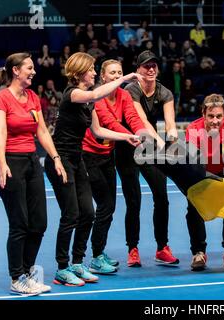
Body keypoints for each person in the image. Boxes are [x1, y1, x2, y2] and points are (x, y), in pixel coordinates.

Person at [44, 52, 141, 287]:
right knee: (71, 214)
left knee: (87, 212)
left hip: (77, 160)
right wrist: (125, 77)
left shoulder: (89, 102)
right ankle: (62, 268)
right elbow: (98, 92)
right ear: (79, 72)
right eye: (91, 70)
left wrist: (126, 135)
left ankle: (78, 263)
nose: (95, 73)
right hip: (61, 160)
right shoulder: (73, 94)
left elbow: (98, 131)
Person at [0, 52, 67, 295]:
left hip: (32, 162)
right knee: (19, 223)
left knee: (39, 222)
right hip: (11, 162)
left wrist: (56, 158)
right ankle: (16, 278)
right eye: (29, 68)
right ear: (16, 71)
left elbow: (42, 131)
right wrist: (2, 163)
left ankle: (27, 272)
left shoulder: (33, 96)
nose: (34, 72)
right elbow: (0, 132)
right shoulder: (2, 98)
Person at [81, 59, 146, 274]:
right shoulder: (97, 96)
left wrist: (140, 133)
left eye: (120, 72)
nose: (117, 76)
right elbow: (109, 123)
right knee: (104, 205)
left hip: (108, 155)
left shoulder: (124, 95)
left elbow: (132, 117)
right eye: (112, 73)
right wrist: (128, 136)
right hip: (89, 156)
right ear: (103, 77)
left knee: (109, 207)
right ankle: (93, 257)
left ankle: (99, 253)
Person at [116, 50, 179, 267]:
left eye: (154, 65)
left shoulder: (165, 92)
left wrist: (172, 142)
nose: (150, 69)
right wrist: (161, 145)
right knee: (134, 201)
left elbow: (170, 123)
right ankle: (133, 249)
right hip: (128, 147)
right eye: (146, 66)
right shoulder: (130, 90)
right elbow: (142, 122)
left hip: (151, 148)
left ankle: (162, 248)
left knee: (162, 197)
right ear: (138, 69)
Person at [185, 93, 224, 271]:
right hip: (201, 172)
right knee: (194, 209)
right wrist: (203, 191)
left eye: (219, 116)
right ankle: (199, 253)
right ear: (203, 114)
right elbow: (195, 163)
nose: (215, 121)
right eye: (211, 116)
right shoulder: (193, 129)